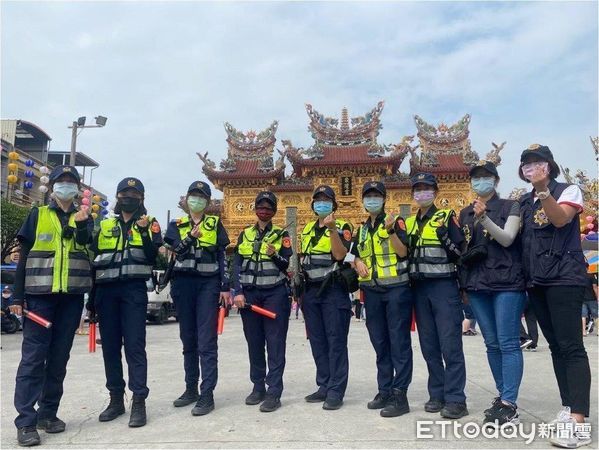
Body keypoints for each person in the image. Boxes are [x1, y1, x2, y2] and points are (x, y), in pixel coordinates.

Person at [10, 165, 93, 446]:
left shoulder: (85, 218)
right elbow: (23, 259)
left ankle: (48, 414)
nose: (66, 186)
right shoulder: (38, 215)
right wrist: (17, 297)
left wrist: (82, 224)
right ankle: (25, 422)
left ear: (78, 188)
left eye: (71, 182)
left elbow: (85, 244)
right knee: (33, 359)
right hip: (39, 298)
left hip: (70, 299)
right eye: (62, 181)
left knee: (59, 359)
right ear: (53, 186)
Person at [518, 144, 592, 448]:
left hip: (564, 277)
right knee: (556, 348)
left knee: (572, 347)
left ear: (550, 165)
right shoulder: (523, 202)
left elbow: (560, 220)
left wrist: (544, 191)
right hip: (536, 281)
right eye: (526, 164)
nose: (532, 167)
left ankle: (579, 421)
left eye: (538, 162)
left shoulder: (568, 190)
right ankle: (567, 407)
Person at [90, 177, 163, 428]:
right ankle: (115, 399)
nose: (128, 197)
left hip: (134, 291)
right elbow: (93, 257)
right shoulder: (105, 223)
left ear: (141, 198)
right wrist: (91, 301)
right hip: (106, 291)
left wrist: (143, 232)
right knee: (110, 347)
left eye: (134, 193)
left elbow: (155, 256)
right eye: (124, 193)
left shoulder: (150, 224)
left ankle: (139, 400)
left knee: (134, 347)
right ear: (118, 196)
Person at [458, 160, 525, 427]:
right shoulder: (464, 213)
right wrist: (463, 285)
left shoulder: (511, 206)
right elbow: (465, 250)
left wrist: (484, 217)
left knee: (508, 342)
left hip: (507, 282)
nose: (480, 182)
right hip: (477, 284)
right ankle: (502, 396)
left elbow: (508, 239)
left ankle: (509, 403)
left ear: (496, 181)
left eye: (486, 177)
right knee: (491, 343)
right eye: (475, 178)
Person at [163, 181, 230, 415]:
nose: (197, 200)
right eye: (194, 195)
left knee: (207, 340)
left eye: (202, 197)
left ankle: (207, 393)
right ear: (186, 199)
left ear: (208, 202)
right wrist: (190, 238)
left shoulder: (214, 224)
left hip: (207, 284)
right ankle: (190, 388)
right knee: (188, 339)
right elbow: (175, 251)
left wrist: (225, 286)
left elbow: (222, 256)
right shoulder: (176, 225)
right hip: (183, 284)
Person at [406, 173, 468, 419]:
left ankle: (456, 398)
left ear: (435, 192)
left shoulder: (446, 217)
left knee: (450, 344)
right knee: (429, 345)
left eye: (426, 189)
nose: (422, 193)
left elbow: (459, 252)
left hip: (443, 286)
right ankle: (437, 393)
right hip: (419, 288)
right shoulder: (408, 223)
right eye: (418, 189)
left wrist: (445, 239)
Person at [352, 181, 413, 418]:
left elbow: (402, 251)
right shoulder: (363, 228)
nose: (372, 200)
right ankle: (384, 389)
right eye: (368, 196)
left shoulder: (395, 221)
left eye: (377, 195)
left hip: (396, 289)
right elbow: (355, 254)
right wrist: (356, 262)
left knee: (398, 342)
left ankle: (400, 393)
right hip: (372, 291)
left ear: (385, 198)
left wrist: (389, 231)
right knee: (380, 342)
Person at [232, 191, 293, 412]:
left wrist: (274, 254)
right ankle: (258, 387)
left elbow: (287, 265)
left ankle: (274, 391)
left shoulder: (282, 234)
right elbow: (236, 265)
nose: (264, 210)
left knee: (275, 344)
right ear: (255, 208)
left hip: (274, 295)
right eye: (261, 206)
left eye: (268, 207)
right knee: (254, 343)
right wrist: (236, 291)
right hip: (249, 296)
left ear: (274, 211)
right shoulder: (245, 234)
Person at [299, 185, 353, 410]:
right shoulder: (307, 229)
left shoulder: (342, 227)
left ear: (334, 204)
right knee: (318, 340)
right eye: (318, 200)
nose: (321, 203)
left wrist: (332, 230)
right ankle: (324, 384)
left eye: (326, 200)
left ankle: (336, 390)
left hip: (333, 290)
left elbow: (341, 255)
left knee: (336, 341)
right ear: (312, 204)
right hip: (310, 292)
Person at [581, 271, 598, 337]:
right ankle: (598, 331)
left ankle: (584, 332)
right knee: (595, 315)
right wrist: (597, 297)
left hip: (582, 299)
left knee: (583, 316)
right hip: (592, 299)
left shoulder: (579, 276)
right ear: (588, 268)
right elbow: (595, 287)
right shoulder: (591, 276)